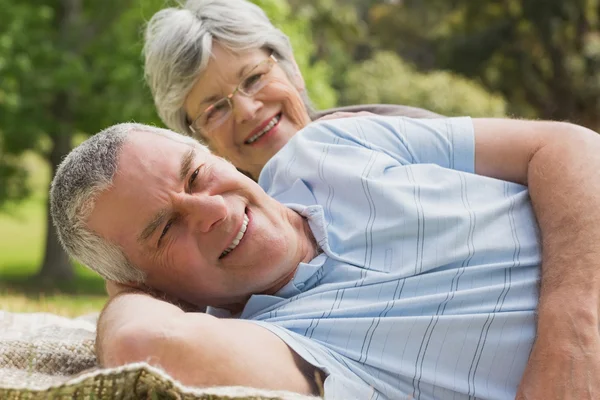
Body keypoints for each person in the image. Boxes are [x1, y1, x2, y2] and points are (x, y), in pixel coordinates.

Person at [51, 116, 600, 399]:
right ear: (156, 290)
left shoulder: (329, 146)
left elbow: (569, 146)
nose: (210, 210)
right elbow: (142, 345)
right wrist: (127, 291)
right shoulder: (278, 343)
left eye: (196, 174)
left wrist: (574, 320)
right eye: (166, 228)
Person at [143, 0, 440, 181]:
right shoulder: (217, 241)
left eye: (253, 79)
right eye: (215, 110)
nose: (247, 110)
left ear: (292, 69)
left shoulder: (408, 136)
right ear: (200, 141)